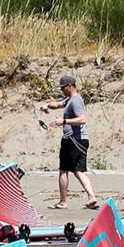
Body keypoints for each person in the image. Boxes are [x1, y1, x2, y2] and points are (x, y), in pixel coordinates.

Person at [38, 74, 99, 210]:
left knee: (64, 170)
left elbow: (82, 119)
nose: (62, 91)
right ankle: (91, 196)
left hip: (74, 140)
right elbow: (58, 104)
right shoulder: (70, 100)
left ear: (70, 86)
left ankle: (63, 202)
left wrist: (64, 121)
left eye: (63, 88)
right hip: (76, 140)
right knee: (78, 171)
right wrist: (47, 105)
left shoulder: (76, 101)